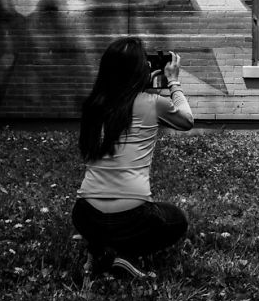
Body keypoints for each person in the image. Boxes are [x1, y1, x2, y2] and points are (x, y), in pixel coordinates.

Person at [72, 37, 194, 278]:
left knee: (104, 227)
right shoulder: (153, 103)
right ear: (138, 71)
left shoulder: (93, 105)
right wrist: (174, 82)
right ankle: (123, 255)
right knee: (177, 220)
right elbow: (187, 120)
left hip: (85, 214)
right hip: (133, 217)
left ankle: (101, 249)